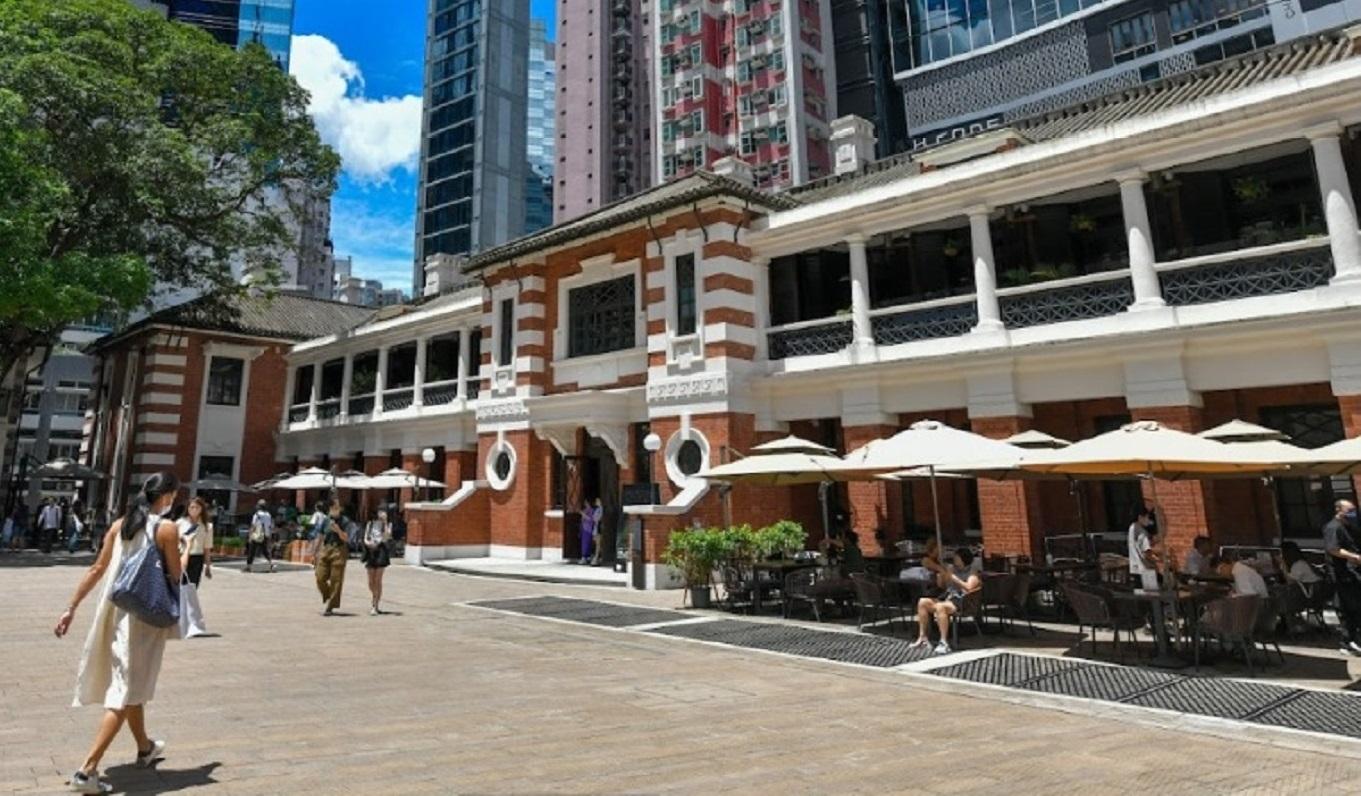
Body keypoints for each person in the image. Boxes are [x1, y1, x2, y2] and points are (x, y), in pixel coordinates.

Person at [54, 472, 183, 794]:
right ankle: (87, 770)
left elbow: (97, 568)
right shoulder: (166, 529)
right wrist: (185, 549)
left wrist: (71, 607)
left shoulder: (120, 525)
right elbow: (176, 574)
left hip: (112, 612)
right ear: (167, 496)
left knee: (131, 682)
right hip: (143, 618)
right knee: (124, 692)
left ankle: (145, 747)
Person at [911, 547, 982, 655]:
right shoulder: (952, 568)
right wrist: (941, 578)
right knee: (923, 602)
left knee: (940, 607)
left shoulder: (972, 572)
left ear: (963, 559)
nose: (955, 560)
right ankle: (922, 638)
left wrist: (954, 578)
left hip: (961, 602)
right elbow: (943, 586)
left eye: (957, 558)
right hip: (947, 598)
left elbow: (969, 587)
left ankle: (943, 642)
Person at [1323, 499, 1361, 656]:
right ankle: (1348, 641)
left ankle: (1354, 639)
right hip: (1342, 574)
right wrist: (1354, 557)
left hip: (1353, 573)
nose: (1352, 513)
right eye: (1349, 510)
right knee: (1349, 607)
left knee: (1356, 607)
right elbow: (1333, 549)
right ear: (1339, 510)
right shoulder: (1333, 527)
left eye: (1353, 510)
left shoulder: (1349, 527)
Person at [312, 501, 349, 616]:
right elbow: (320, 536)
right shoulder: (326, 520)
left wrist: (338, 530)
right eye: (333, 508)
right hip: (326, 549)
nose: (335, 510)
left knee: (336, 579)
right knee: (320, 577)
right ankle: (328, 595)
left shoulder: (344, 521)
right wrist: (315, 552)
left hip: (339, 550)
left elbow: (346, 538)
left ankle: (330, 606)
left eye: (337, 508)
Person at [176, 498, 213, 588]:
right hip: (181, 555)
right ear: (187, 508)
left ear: (201, 509)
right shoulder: (180, 523)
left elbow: (207, 548)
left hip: (197, 558)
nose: (194, 510)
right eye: (192, 507)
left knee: (192, 586)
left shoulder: (207, 526)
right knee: (178, 584)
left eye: (197, 507)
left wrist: (208, 566)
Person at [362, 509, 393, 616]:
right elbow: (365, 537)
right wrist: (368, 543)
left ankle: (375, 605)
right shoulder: (370, 524)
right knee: (371, 582)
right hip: (371, 550)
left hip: (381, 550)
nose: (381, 515)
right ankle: (375, 596)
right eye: (380, 513)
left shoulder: (388, 525)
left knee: (378, 580)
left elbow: (387, 536)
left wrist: (385, 523)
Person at [1127, 507, 1160, 590]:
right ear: (1140, 517)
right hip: (1145, 570)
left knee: (1140, 594)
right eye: (1147, 517)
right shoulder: (1142, 533)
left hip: (1134, 568)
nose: (1148, 521)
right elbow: (1146, 553)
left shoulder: (1132, 528)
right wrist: (1158, 559)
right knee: (1151, 594)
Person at [246, 500, 276, 573]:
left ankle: (248, 567)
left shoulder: (256, 514)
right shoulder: (268, 515)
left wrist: (250, 535)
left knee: (252, 551)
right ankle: (271, 564)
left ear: (259, 506)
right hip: (265, 534)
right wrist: (269, 535)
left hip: (257, 534)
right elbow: (269, 525)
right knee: (265, 551)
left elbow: (253, 526)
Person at [579, 499, 597, 565]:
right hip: (584, 528)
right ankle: (585, 556)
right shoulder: (585, 510)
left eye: (586, 502)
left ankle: (586, 557)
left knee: (587, 543)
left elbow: (591, 519)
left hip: (589, 529)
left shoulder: (592, 510)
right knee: (584, 543)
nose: (585, 503)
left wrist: (583, 514)